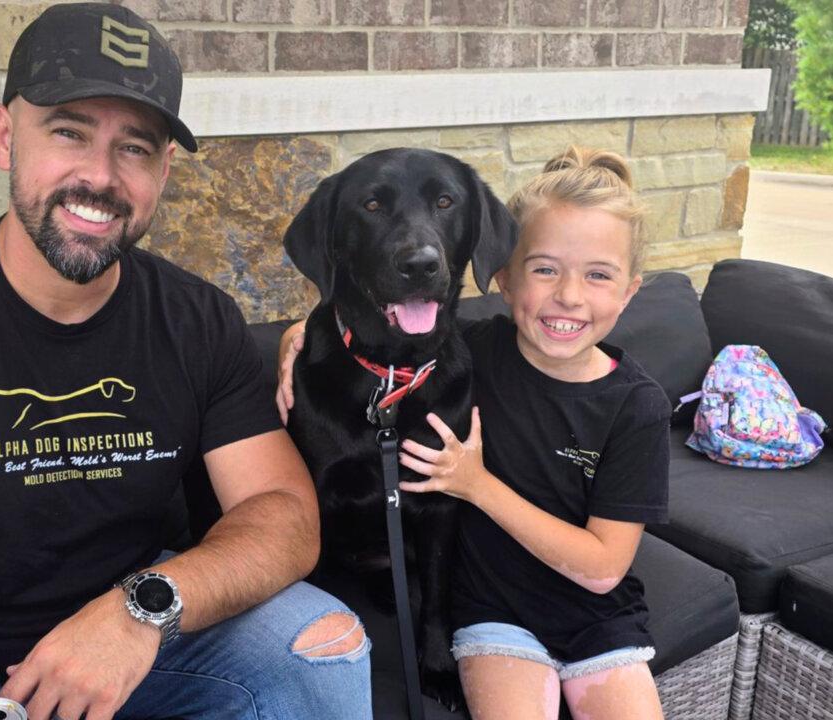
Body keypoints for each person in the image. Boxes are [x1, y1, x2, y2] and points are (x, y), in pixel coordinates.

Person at [0, 4, 371, 720]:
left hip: (137, 641)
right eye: (68, 132)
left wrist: (141, 611)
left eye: (136, 148)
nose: (100, 176)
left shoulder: (195, 319)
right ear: (4, 137)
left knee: (322, 642)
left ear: (164, 169)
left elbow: (282, 515)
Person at [278, 147, 669, 720]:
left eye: (598, 275)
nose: (568, 296)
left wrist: (476, 485)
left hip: (591, 616)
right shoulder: (484, 348)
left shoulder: (627, 404)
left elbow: (605, 564)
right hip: (479, 612)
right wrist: (295, 337)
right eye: (545, 270)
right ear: (506, 280)